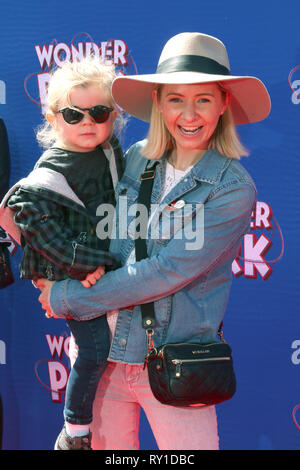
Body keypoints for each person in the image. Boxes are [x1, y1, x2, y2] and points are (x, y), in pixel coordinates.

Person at [37, 32, 271, 450]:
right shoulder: (138, 157)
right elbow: (100, 237)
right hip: (102, 359)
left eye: (203, 99)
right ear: (159, 103)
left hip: (174, 363)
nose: (189, 114)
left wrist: (68, 297)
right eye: (176, 99)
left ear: (223, 103)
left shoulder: (233, 188)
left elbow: (165, 272)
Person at [0, 57, 124, 450]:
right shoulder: (46, 174)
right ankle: (74, 431)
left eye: (99, 112)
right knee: (94, 349)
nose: (88, 122)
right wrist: (86, 266)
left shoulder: (113, 152)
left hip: (103, 267)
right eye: (73, 114)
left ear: (114, 116)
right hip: (64, 270)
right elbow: (45, 236)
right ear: (53, 119)